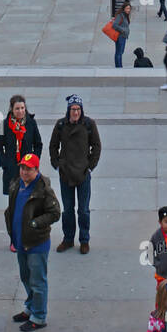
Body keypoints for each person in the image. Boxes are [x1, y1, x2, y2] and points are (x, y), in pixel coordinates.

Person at [5, 154, 61, 331]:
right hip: (21, 241)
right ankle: (30, 308)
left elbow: (54, 213)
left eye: (29, 168)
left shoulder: (43, 190)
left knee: (38, 281)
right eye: (22, 168)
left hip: (36, 243)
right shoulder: (17, 185)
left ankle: (39, 316)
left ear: (36, 170)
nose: (24, 172)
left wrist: (35, 223)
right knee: (26, 277)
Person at [49, 94, 101, 254]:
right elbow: (53, 146)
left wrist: (90, 167)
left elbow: (96, 146)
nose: (76, 112)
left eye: (78, 109)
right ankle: (68, 239)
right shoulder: (60, 125)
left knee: (83, 210)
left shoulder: (89, 124)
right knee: (68, 209)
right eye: (73, 109)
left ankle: (84, 240)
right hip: (66, 174)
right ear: (68, 110)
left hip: (83, 173)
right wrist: (57, 165)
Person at [0, 95, 43, 215]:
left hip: (28, 169)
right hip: (12, 170)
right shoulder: (3, 125)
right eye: (17, 108)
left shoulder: (31, 123)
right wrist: (4, 163)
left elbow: (38, 144)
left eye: (22, 108)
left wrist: (34, 162)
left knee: (29, 204)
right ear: (12, 109)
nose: (20, 111)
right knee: (14, 205)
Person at [111, 0, 131, 68]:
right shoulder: (120, 15)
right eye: (127, 8)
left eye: (129, 8)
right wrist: (123, 30)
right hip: (120, 37)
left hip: (123, 37)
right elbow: (114, 25)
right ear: (124, 8)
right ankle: (119, 67)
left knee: (120, 52)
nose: (129, 10)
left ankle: (119, 66)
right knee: (119, 53)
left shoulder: (125, 15)